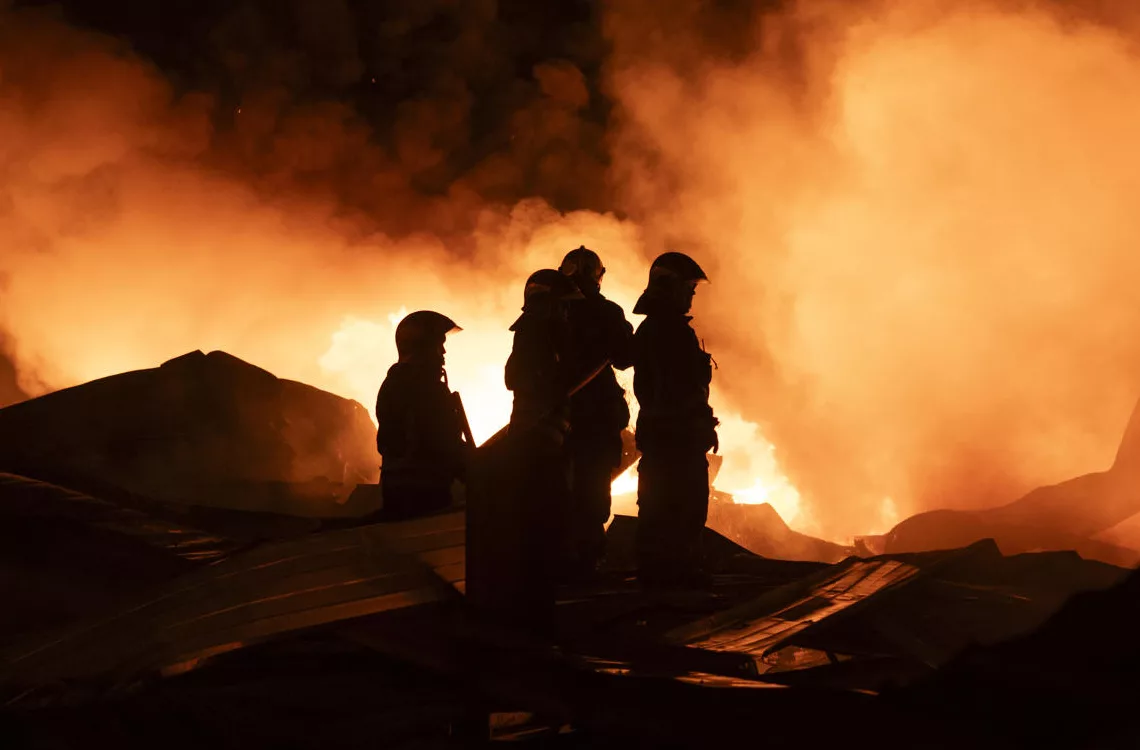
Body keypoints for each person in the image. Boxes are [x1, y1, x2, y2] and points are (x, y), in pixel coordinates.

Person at [471, 269, 582, 629]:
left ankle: (533, 610)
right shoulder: (535, 338)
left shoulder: (542, 338)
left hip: (542, 447)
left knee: (543, 527)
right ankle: (532, 616)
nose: (567, 316)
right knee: (540, 528)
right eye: (562, 308)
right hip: (536, 450)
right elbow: (516, 379)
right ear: (545, 305)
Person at [631, 252, 719, 589]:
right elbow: (678, 389)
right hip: (676, 440)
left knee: (659, 507)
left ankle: (658, 573)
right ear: (669, 288)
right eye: (688, 288)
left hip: (663, 438)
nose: (692, 295)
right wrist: (697, 424)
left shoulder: (652, 330)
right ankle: (677, 575)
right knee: (684, 506)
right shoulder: (670, 333)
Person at [558, 246, 634, 577]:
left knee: (558, 493)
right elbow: (625, 357)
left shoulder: (550, 312)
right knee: (591, 498)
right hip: (596, 422)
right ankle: (585, 565)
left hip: (556, 422)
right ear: (597, 277)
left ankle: (560, 562)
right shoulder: (607, 313)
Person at [374, 310, 471, 520]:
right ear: (423, 347)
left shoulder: (393, 384)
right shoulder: (426, 389)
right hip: (425, 495)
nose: (443, 352)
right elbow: (443, 443)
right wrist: (478, 469)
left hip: (398, 492)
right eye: (439, 344)